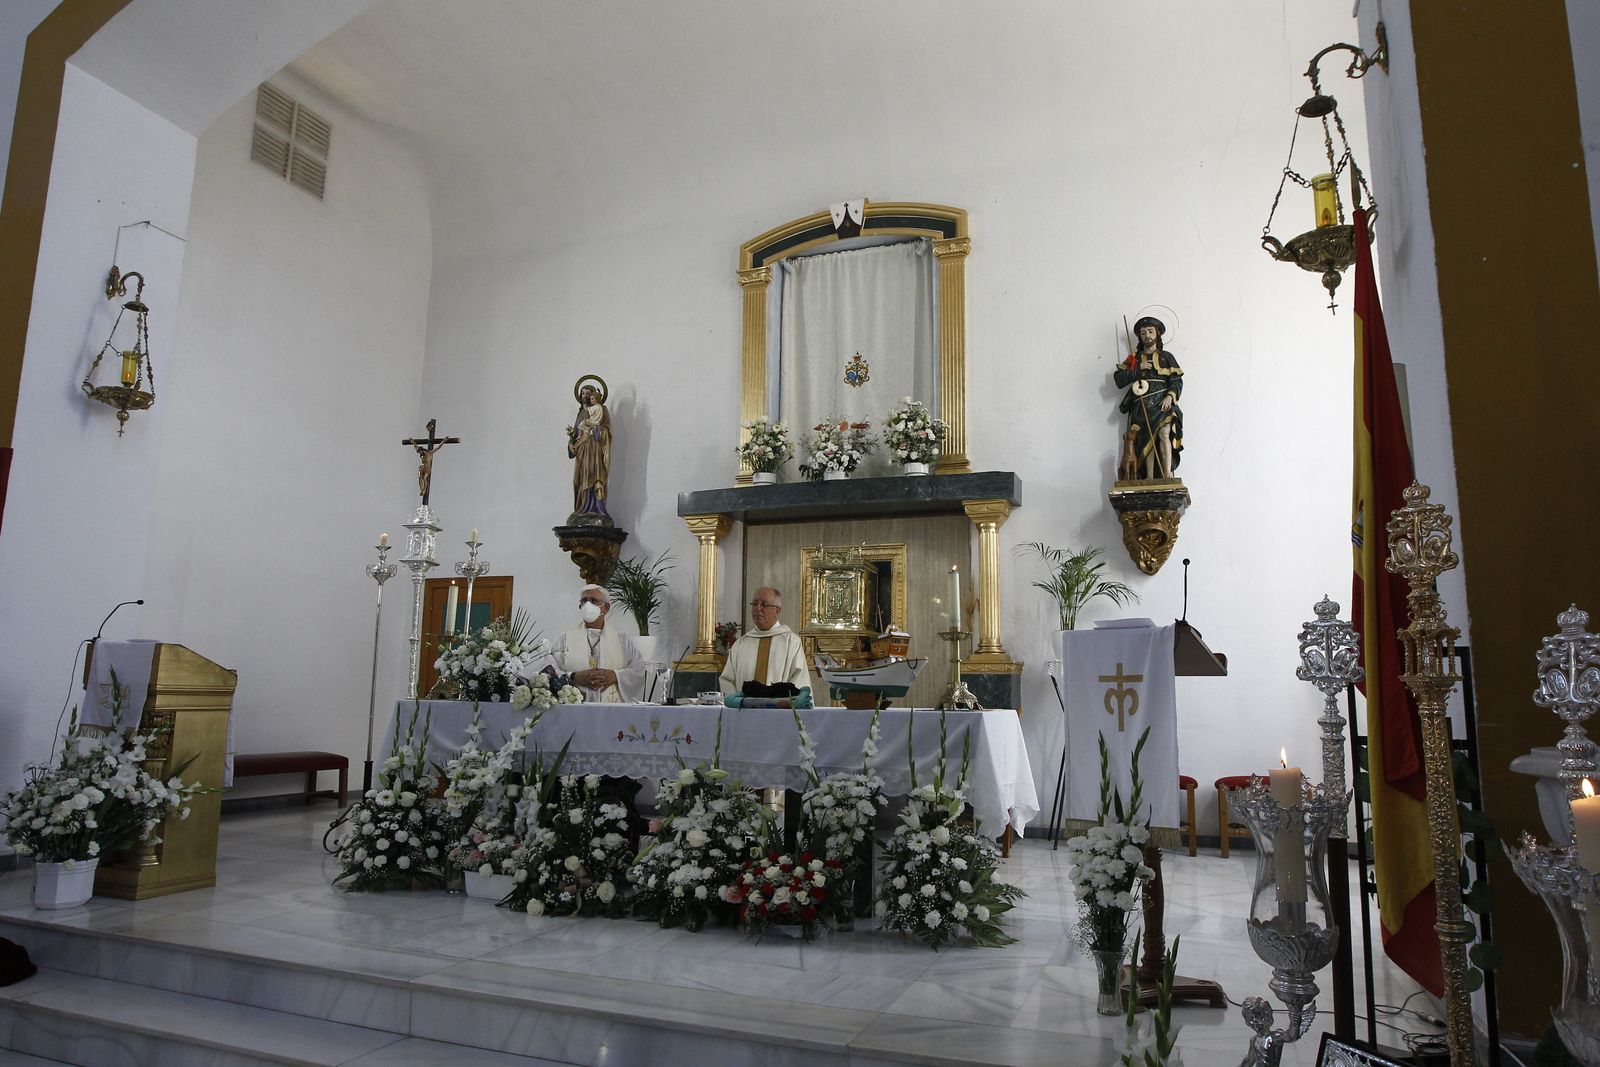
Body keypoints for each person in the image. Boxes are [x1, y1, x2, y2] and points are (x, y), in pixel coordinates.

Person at [1112, 316, 1184, 480]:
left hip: (1162, 404)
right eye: (1143, 333)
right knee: (1146, 441)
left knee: (1164, 434)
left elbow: (1176, 380)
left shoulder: (1167, 357)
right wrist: (1137, 369)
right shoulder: (1134, 358)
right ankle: (1149, 477)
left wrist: (1170, 396)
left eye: (1150, 331)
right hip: (1141, 405)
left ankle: (1167, 474)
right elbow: (1119, 379)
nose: (1147, 335)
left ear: (1157, 334)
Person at [551, 584, 645, 702]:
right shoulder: (564, 639)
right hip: (574, 707)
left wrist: (616, 676)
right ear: (580, 606)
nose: (587, 605)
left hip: (611, 709)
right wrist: (573, 676)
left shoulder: (621, 640)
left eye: (594, 601)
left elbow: (638, 669)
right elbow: (549, 670)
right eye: (584, 601)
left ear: (606, 607)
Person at [719, 587, 813, 695]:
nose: (758, 608)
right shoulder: (741, 644)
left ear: (777, 610)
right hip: (744, 710)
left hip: (780, 710)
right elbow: (727, 680)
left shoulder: (791, 642)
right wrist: (737, 703)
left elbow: (798, 680)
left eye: (764, 604)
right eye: (755, 604)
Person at [566, 382, 612, 523]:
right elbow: (574, 435)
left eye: (587, 393)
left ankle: (595, 510)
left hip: (593, 450)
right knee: (577, 481)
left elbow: (607, 430)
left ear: (593, 395)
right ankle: (580, 509)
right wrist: (570, 444)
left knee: (592, 476)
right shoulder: (580, 414)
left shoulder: (601, 410)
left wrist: (595, 432)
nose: (585, 396)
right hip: (581, 451)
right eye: (582, 393)